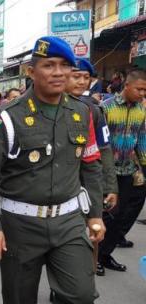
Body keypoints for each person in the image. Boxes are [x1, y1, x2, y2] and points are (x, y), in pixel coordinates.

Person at [0, 37, 104, 304]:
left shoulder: (82, 113)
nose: (59, 73)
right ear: (31, 71)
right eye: (50, 66)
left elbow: (91, 164)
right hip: (20, 224)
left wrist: (94, 215)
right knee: (19, 299)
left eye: (66, 67)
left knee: (81, 295)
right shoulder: (7, 117)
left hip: (67, 220)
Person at [65, 59, 119, 275]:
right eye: (76, 76)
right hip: (60, 185)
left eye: (86, 78)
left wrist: (110, 186)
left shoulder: (93, 110)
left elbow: (103, 150)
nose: (81, 82)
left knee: (90, 229)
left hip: (86, 183)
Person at [97, 69, 146, 272]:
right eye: (139, 89)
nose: (143, 93)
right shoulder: (105, 108)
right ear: (127, 86)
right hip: (106, 172)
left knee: (122, 216)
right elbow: (99, 142)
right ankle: (94, 257)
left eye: (145, 90)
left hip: (128, 171)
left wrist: (143, 164)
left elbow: (141, 139)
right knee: (105, 216)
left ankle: (106, 254)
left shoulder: (140, 111)